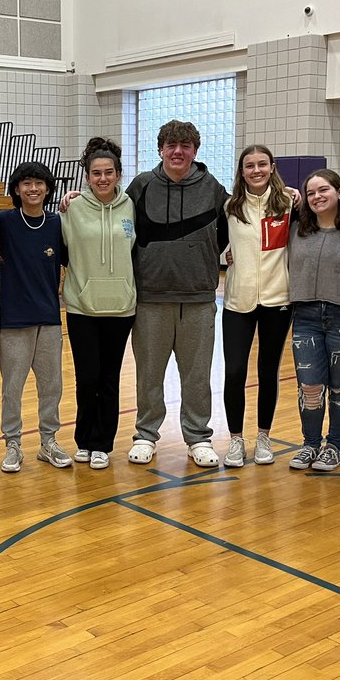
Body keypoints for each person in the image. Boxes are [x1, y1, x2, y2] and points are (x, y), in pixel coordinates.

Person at [124, 120, 230, 467]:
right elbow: (115, 221)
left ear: (195, 151)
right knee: (149, 374)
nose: (178, 151)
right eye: (171, 145)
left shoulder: (213, 188)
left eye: (185, 145)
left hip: (198, 298)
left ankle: (198, 437)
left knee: (198, 374)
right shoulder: (141, 186)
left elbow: (234, 224)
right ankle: (145, 434)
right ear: (161, 149)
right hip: (151, 298)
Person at [60, 138, 137, 469]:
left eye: (108, 173)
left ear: (118, 174)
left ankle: (103, 443)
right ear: (87, 177)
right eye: (96, 173)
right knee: (86, 376)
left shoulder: (132, 206)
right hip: (82, 306)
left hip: (121, 308)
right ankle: (84, 439)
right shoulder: (71, 208)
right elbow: (61, 249)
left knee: (109, 377)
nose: (102, 178)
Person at [0, 160, 72, 473]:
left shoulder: (56, 224)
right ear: (16, 189)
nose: (33, 188)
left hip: (50, 319)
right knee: (12, 387)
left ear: (48, 188)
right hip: (13, 320)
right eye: (26, 183)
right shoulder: (3, 222)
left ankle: (48, 442)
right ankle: (12, 444)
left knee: (52, 385)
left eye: (39, 183)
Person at [219, 145, 294, 468]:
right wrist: (226, 257)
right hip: (238, 300)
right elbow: (219, 246)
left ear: (272, 167)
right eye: (249, 165)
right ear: (242, 171)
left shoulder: (291, 204)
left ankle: (264, 436)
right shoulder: (230, 207)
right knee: (234, 372)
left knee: (268, 371)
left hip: (278, 300)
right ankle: (236, 439)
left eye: (262, 164)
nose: (256, 170)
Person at [286, 169, 340, 473]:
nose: (317, 197)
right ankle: (310, 444)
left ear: (339, 193)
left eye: (323, 190)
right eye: (311, 192)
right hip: (305, 317)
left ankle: (335, 446)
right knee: (310, 386)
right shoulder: (297, 230)